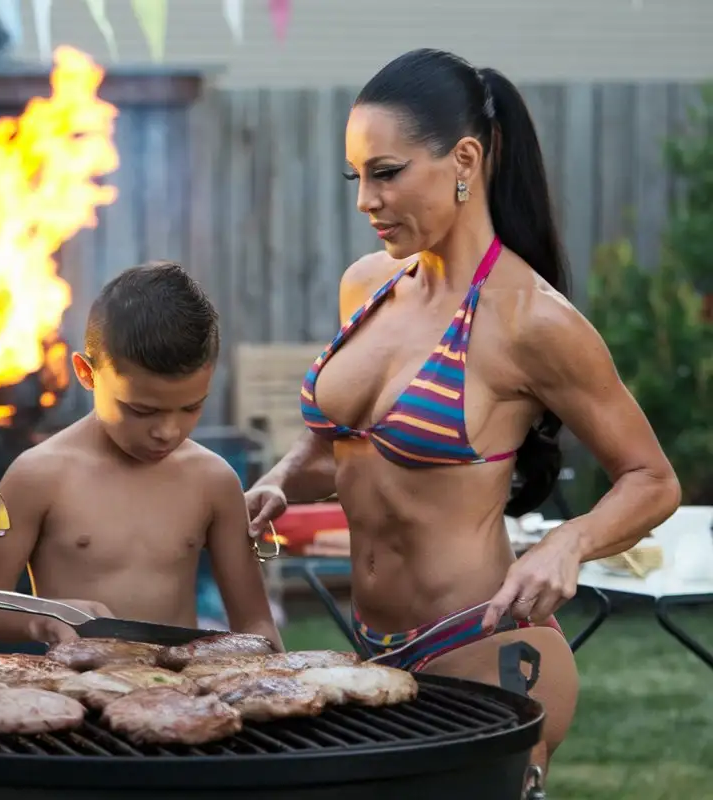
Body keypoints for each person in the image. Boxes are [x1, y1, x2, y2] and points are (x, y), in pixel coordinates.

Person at [244, 48, 679, 792]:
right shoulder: (368, 287)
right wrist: (284, 479)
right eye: (358, 178)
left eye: (386, 173)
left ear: (465, 160)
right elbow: (345, 449)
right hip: (368, 648)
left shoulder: (530, 321)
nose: (365, 202)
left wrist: (567, 545)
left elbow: (652, 480)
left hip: (482, 646)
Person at [0, 262, 282, 649]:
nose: (168, 431)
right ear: (86, 373)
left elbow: (256, 621)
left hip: (180, 699)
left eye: (191, 408)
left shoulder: (214, 480)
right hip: (78, 694)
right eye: (141, 411)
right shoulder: (37, 476)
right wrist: (44, 617)